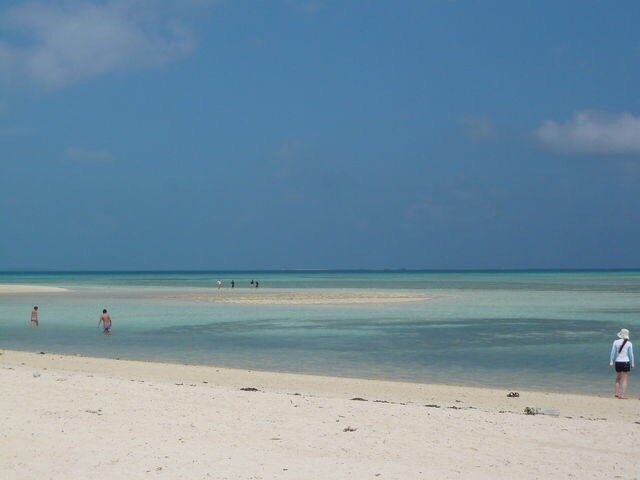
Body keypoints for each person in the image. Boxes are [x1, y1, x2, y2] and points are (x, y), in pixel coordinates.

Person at [610, 328, 634, 399]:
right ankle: (622, 395)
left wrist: (611, 361)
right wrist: (632, 363)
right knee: (625, 380)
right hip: (626, 362)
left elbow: (613, 353)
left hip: (618, 362)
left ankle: (616, 394)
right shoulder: (629, 343)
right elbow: (631, 354)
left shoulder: (615, 342)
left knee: (617, 379)